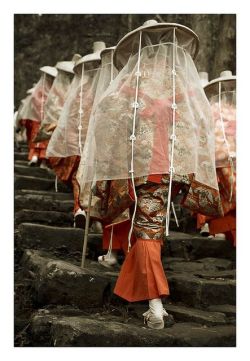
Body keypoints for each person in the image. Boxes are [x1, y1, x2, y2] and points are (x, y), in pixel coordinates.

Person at [77, 20, 222, 329]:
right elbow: (198, 126)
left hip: (142, 169)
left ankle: (155, 306)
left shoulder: (132, 86)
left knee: (147, 230)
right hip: (170, 168)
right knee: (149, 229)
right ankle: (138, 291)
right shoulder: (178, 86)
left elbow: (106, 122)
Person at [46, 42, 105, 227]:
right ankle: (84, 211)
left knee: (83, 177)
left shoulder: (96, 88)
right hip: (86, 140)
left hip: (90, 140)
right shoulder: (91, 89)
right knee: (86, 176)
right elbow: (72, 116)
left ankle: (84, 210)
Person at [197, 71, 236, 246]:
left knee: (230, 196)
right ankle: (219, 230)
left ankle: (227, 232)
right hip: (221, 159)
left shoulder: (237, 108)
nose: (228, 89)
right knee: (228, 193)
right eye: (226, 86)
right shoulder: (213, 110)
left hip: (233, 158)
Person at [16, 66, 57, 167]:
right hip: (45, 119)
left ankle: (35, 156)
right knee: (44, 139)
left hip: (37, 120)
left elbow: (32, 103)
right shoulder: (51, 90)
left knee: (37, 139)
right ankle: (42, 160)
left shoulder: (39, 91)